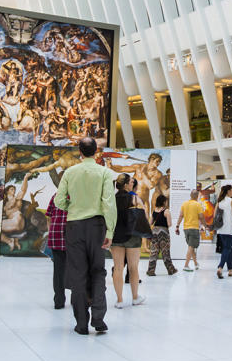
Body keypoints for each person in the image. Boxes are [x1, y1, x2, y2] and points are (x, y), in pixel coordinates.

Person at [55, 137, 117, 335]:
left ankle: (81, 322)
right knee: (98, 271)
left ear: (79, 152)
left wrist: (71, 207)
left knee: (78, 273)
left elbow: (58, 201)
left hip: (74, 226)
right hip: (97, 226)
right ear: (96, 151)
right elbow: (108, 203)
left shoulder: (70, 173)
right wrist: (110, 231)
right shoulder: (105, 173)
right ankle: (98, 318)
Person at [112, 174, 146, 308]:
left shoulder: (112, 200)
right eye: (131, 182)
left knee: (118, 268)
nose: (133, 183)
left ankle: (119, 300)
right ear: (126, 184)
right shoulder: (135, 199)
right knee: (133, 268)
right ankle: (135, 297)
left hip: (116, 236)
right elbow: (144, 218)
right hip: (132, 236)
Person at [45, 193, 68, 310]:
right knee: (76, 270)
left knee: (58, 270)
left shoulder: (55, 196)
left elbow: (48, 216)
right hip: (73, 239)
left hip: (56, 236)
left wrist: (51, 231)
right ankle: (77, 298)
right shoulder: (78, 195)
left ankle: (59, 300)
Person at [147, 194, 177, 276]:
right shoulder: (166, 211)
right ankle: (171, 270)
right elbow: (169, 224)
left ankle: (150, 271)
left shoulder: (154, 210)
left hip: (154, 232)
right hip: (163, 233)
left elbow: (150, 223)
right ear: (164, 202)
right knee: (165, 252)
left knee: (154, 252)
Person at [215, 185, 232, 278]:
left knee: (227, 248)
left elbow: (215, 215)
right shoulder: (231, 201)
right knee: (227, 248)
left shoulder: (219, 202)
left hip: (221, 229)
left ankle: (230, 270)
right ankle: (220, 267)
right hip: (230, 229)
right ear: (229, 191)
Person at [175, 189, 202, 271]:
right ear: (197, 196)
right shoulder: (198, 205)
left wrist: (177, 226)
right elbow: (201, 217)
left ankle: (196, 263)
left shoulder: (184, 204)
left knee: (191, 246)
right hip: (194, 228)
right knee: (191, 246)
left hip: (186, 228)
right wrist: (205, 225)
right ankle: (186, 265)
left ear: (190, 195)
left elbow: (180, 216)